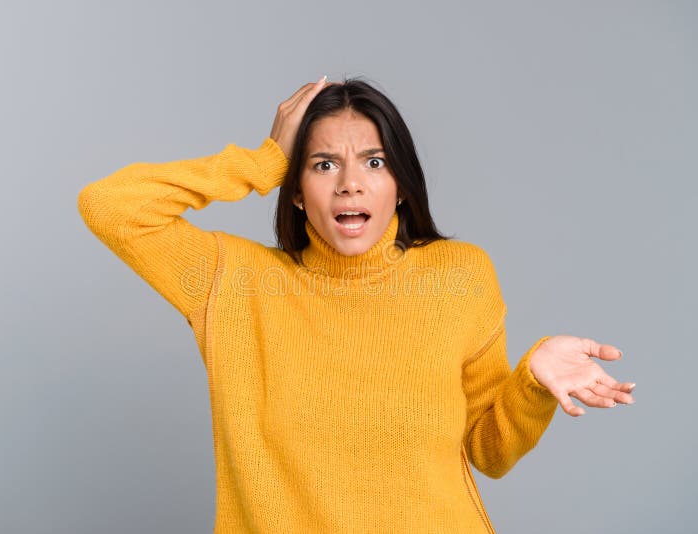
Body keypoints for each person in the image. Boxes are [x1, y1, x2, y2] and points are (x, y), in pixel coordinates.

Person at [78, 75, 635, 533]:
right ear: (295, 190)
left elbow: (487, 452)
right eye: (323, 165)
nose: (350, 183)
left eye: (374, 162)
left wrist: (531, 382)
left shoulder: (460, 275)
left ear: (400, 182)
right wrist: (262, 160)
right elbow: (110, 206)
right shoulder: (234, 283)